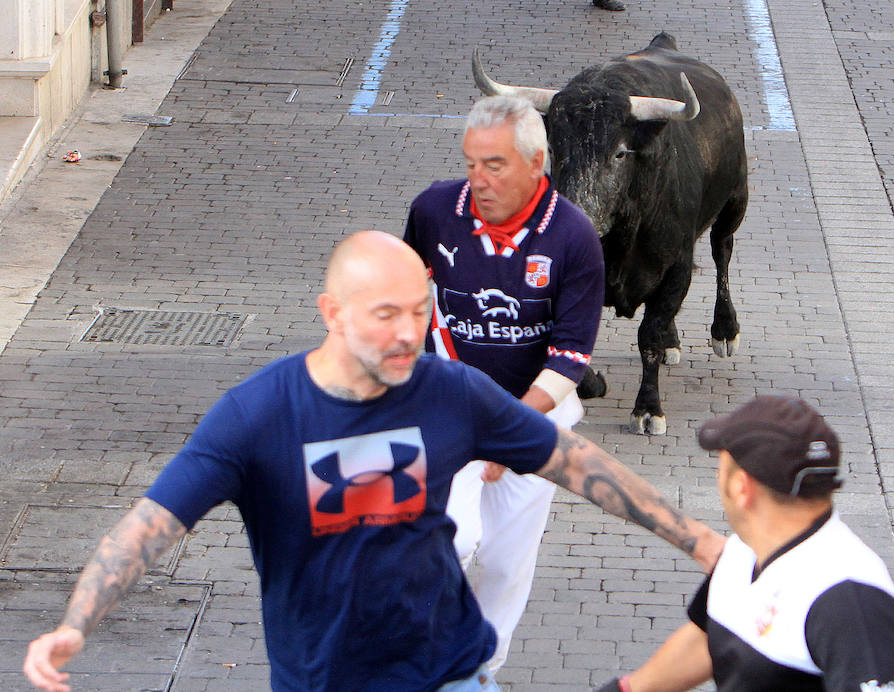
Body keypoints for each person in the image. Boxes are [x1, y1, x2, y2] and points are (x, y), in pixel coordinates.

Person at [23, 231, 723, 692]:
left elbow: (573, 463)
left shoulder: (451, 393)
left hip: (451, 674)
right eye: (384, 314)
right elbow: (148, 529)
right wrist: (74, 626)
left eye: (418, 313)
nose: (406, 333)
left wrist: (698, 539)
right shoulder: (257, 415)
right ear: (332, 312)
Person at [402, 94, 604, 672]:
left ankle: (480, 675)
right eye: (471, 163)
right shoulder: (434, 211)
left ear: (536, 163)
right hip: (444, 405)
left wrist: (509, 428)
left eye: (495, 165)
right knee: (454, 538)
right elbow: (407, 293)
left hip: (534, 413)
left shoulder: (573, 237)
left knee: (505, 562)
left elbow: (569, 356)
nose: (478, 180)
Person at [597, 395, 894, 692]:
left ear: (740, 487)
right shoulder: (744, 550)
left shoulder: (850, 599)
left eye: (721, 466)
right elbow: (710, 638)